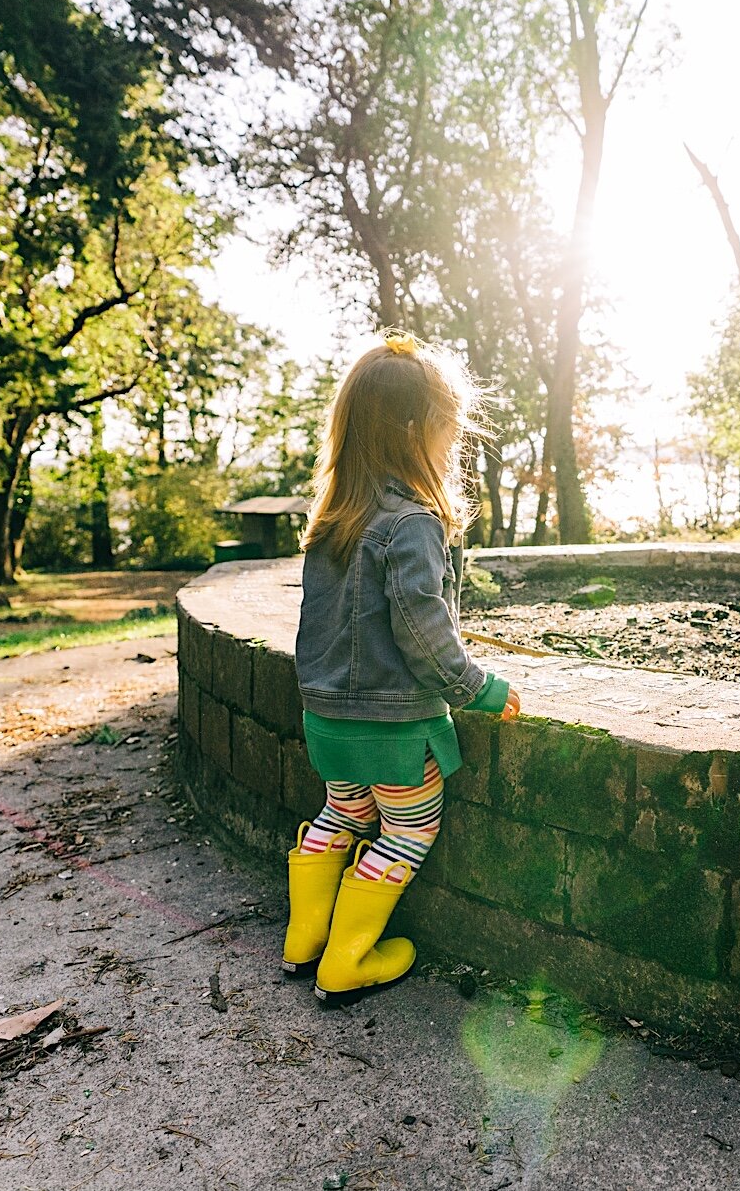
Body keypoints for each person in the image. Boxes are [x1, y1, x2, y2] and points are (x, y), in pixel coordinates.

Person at [284, 332, 521, 1003]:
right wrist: (477, 687)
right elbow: (423, 632)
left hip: (326, 721)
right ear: (416, 433)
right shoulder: (413, 522)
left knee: (341, 813)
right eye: (449, 430)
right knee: (408, 827)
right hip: (393, 729)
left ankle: (304, 939)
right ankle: (347, 959)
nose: (453, 445)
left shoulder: (333, 518)